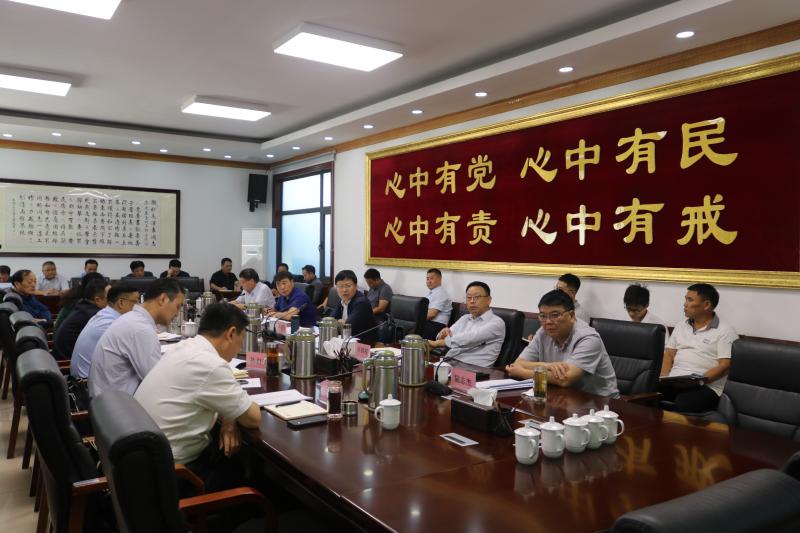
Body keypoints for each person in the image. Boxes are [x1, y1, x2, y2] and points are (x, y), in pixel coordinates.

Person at [134, 303, 261, 491]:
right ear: (231, 333)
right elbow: (253, 418)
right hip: (173, 476)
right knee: (249, 477)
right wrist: (234, 413)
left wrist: (230, 417)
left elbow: (215, 396)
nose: (238, 349)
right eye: (241, 341)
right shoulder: (210, 365)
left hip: (142, 466)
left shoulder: (183, 347)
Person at [506, 289, 619, 397]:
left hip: (600, 402)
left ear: (572, 316)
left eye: (555, 315)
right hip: (562, 396)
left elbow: (565, 379)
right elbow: (519, 363)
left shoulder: (589, 338)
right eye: (543, 316)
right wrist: (547, 366)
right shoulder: (543, 332)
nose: (548, 322)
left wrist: (521, 373)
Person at [89, 277, 185, 397]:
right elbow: (158, 382)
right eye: (178, 306)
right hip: (116, 404)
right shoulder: (140, 328)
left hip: (109, 399)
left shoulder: (133, 319)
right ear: (163, 299)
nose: (177, 313)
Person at [660, 283, 738, 412]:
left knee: (684, 402)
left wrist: (699, 381)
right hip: (675, 381)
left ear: (706, 305)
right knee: (646, 390)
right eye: (685, 299)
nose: (685, 304)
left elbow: (725, 366)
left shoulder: (726, 331)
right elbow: (669, 354)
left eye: (690, 300)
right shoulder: (681, 325)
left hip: (706, 386)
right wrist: (663, 377)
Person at [427, 281, 505, 367]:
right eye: (469, 297)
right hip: (449, 363)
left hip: (474, 369)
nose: (472, 301)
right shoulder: (465, 318)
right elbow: (447, 336)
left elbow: (470, 338)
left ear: (488, 300)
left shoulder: (497, 323)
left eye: (477, 297)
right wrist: (442, 334)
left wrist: (437, 343)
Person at [71, 284, 139, 379]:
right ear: (121, 302)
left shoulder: (104, 315)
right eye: (135, 302)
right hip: (87, 382)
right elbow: (135, 355)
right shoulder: (110, 324)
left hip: (88, 376)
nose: (138, 307)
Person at [52, 278, 110, 360]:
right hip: (65, 361)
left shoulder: (84, 306)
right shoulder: (94, 315)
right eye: (110, 297)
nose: (114, 300)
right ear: (97, 300)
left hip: (65, 357)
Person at [333, 269, 378, 342]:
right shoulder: (342, 300)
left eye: (348, 286)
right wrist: (340, 322)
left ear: (356, 286)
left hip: (363, 343)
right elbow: (330, 321)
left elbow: (349, 327)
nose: (344, 290)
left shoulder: (361, 303)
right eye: (340, 286)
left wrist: (340, 323)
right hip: (346, 341)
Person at [423, 268, 452, 340]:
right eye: (427, 279)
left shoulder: (440, 293)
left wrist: (416, 319)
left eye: (431, 278)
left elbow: (431, 314)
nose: (429, 281)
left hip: (437, 326)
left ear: (439, 279)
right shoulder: (432, 293)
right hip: (429, 323)